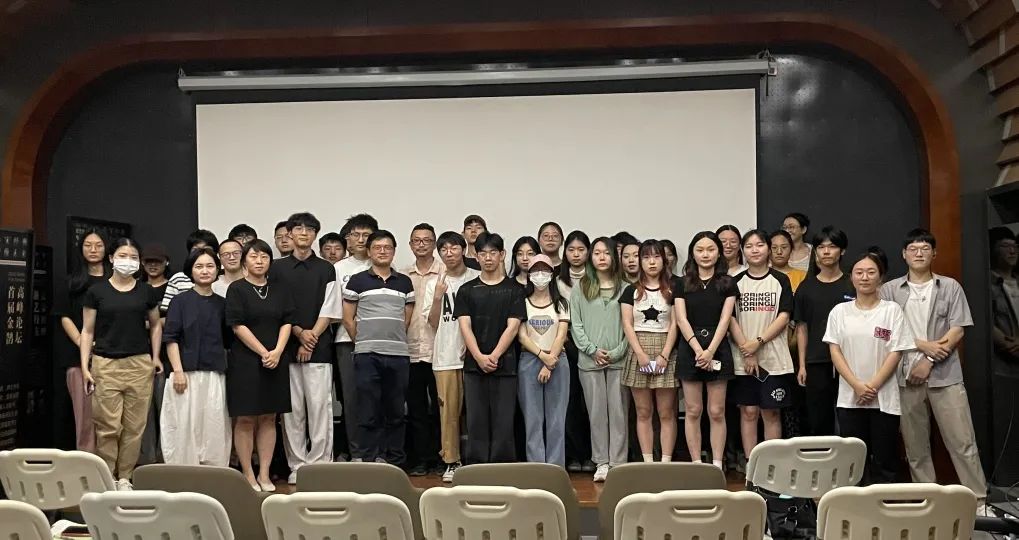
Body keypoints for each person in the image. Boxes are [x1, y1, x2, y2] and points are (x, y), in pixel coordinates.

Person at [881, 229, 988, 510]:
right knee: (915, 448)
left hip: (945, 375)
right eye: (913, 249)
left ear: (934, 253)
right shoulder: (890, 290)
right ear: (904, 254)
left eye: (925, 248)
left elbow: (958, 328)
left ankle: (979, 501)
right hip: (905, 377)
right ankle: (927, 502)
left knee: (963, 442)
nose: (919, 253)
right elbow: (885, 331)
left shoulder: (950, 287)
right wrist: (923, 345)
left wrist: (929, 359)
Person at [79, 237, 162, 490]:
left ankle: (125, 476)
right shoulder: (97, 292)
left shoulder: (146, 291)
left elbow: (156, 325)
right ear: (111, 258)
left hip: (139, 364)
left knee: (135, 427)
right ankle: (108, 478)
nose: (128, 261)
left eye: (133, 257)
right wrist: (85, 366)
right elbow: (87, 331)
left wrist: (155, 356)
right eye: (123, 256)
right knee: (108, 427)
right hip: (105, 364)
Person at [825, 252, 912, 484]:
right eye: (859, 272)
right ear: (851, 277)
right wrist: (857, 385)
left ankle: (886, 503)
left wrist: (871, 386)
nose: (865, 277)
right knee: (853, 462)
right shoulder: (839, 312)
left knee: (886, 459)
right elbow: (835, 351)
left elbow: (896, 351)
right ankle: (856, 505)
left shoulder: (892, 310)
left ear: (880, 277)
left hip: (884, 399)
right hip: (850, 398)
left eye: (871, 272)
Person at [270, 212, 336, 483]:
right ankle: (297, 466)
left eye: (310, 229)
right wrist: (299, 333)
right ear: (290, 234)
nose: (304, 233)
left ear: (315, 234)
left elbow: (330, 308)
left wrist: (311, 338)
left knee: (320, 408)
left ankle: (321, 465)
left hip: (319, 348)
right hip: (285, 347)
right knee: (292, 411)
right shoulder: (276, 268)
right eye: (298, 229)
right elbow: (276, 307)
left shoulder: (326, 268)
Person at [225, 239, 294, 491]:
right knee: (245, 418)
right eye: (253, 256)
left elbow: (287, 321)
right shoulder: (237, 289)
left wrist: (277, 351)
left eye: (264, 257)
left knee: (269, 417)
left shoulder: (280, 289)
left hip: (276, 359)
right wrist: (264, 352)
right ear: (244, 261)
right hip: (246, 362)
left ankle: (264, 474)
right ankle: (248, 473)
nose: (259, 261)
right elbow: (237, 325)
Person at [343, 230, 415, 464]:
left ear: (394, 251)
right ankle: (368, 458)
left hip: (398, 355)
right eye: (377, 247)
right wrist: (364, 341)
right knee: (368, 409)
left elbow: (406, 319)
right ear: (369, 251)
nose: (382, 251)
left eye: (387, 247)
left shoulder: (404, 282)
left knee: (396, 410)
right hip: (367, 355)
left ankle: (395, 459)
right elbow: (348, 318)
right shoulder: (357, 281)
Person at [455, 232, 527, 463]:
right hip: (473, 366)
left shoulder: (514, 289)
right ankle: (476, 468)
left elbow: (513, 327)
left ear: (502, 254)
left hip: (505, 365)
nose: (488, 258)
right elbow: (465, 326)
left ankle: (502, 469)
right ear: (476, 256)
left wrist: (494, 356)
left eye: (493, 253)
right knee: (476, 421)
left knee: (504, 422)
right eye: (483, 253)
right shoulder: (467, 290)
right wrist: (479, 357)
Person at [160, 246, 231, 466]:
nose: (205, 271)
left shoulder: (222, 304)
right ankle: (183, 473)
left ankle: (214, 474)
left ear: (217, 269)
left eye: (210, 266)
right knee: (183, 426)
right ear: (190, 270)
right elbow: (171, 338)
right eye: (199, 266)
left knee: (213, 426)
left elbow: (228, 340)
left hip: (214, 374)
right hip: (185, 374)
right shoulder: (179, 301)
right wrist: (178, 371)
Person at [728, 229, 795, 457]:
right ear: (742, 251)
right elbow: (730, 319)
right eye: (749, 246)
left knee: (771, 412)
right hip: (743, 359)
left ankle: (771, 465)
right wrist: (748, 352)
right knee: (748, 412)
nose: (754, 250)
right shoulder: (735, 282)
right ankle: (751, 463)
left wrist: (758, 342)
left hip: (773, 360)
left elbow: (784, 316)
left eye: (759, 245)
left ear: (768, 248)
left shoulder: (781, 280)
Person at [674, 232, 738, 469]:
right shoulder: (681, 283)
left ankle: (717, 464)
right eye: (700, 250)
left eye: (710, 249)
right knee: (693, 410)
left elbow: (725, 319)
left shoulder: (728, 283)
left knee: (717, 410)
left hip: (718, 348)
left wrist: (710, 351)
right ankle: (697, 465)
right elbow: (681, 319)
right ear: (692, 253)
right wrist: (698, 349)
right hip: (689, 348)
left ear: (719, 253)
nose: (705, 254)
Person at [319, 213, 378, 461]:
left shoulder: (382, 264)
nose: (361, 239)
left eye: (367, 235)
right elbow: (333, 309)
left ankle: (375, 451)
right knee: (351, 399)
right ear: (348, 239)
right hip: (346, 341)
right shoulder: (337, 268)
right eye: (356, 235)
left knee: (375, 398)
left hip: (378, 342)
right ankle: (356, 452)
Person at [423, 231, 480, 481]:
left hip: (475, 355)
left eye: (454, 247)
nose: (449, 253)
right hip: (445, 356)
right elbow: (434, 322)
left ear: (463, 250)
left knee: (477, 411)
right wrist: (438, 296)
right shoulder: (434, 283)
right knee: (449, 414)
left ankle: (479, 459)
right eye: (444, 249)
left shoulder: (476, 278)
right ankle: (451, 460)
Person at [571, 237, 629, 481]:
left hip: (620, 361)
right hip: (590, 362)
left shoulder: (626, 288)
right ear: (591, 257)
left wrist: (617, 352)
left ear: (614, 257)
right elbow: (576, 325)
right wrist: (591, 349)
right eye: (597, 253)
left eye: (606, 253)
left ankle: (618, 462)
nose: (602, 257)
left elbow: (630, 327)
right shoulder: (581, 288)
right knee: (596, 414)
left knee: (619, 412)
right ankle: (602, 462)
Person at [620, 239, 679, 463]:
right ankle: (647, 462)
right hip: (639, 350)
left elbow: (675, 323)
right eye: (646, 257)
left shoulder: (673, 290)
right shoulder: (630, 291)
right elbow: (627, 324)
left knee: (666, 412)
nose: (651, 262)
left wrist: (665, 354)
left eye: (656, 257)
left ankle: (665, 462)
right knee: (643, 411)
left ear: (664, 260)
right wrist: (640, 354)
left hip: (666, 349)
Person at [794, 226, 854, 436]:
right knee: (819, 420)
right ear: (815, 251)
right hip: (816, 361)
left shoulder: (852, 284)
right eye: (821, 247)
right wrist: (802, 365)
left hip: (851, 361)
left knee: (850, 419)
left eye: (832, 246)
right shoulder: (806, 287)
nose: (826, 251)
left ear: (842, 251)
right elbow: (801, 328)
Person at [58, 228, 110, 452]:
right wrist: (82, 343)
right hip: (78, 359)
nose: (93, 250)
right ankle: (87, 465)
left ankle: (112, 467)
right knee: (85, 420)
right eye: (88, 245)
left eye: (98, 245)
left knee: (112, 420)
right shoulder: (73, 282)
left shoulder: (116, 280)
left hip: (113, 356)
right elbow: (64, 316)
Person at [517, 254, 571, 466]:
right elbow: (522, 336)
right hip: (530, 360)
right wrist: (543, 357)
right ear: (529, 275)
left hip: (558, 360)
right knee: (532, 418)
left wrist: (550, 361)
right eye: (535, 271)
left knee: (557, 418)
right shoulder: (522, 302)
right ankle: (536, 467)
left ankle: (556, 467)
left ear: (552, 274)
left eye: (545, 271)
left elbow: (561, 334)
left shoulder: (561, 303)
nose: (540, 275)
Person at [402, 223, 442, 475]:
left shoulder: (445, 273)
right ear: (410, 245)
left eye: (426, 240)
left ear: (434, 244)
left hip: (439, 351)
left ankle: (440, 457)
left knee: (440, 409)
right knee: (415, 409)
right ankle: (420, 459)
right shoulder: (402, 276)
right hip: (410, 351)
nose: (421, 244)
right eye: (416, 240)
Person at [557, 231, 595, 473]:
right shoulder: (557, 281)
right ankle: (573, 454)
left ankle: (593, 454)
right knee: (569, 401)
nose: (576, 254)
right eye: (571, 250)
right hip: (567, 343)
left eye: (581, 249)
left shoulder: (597, 279)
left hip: (593, 345)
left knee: (591, 402)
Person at [138, 243, 171, 465]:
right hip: (139, 354)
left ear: (166, 263)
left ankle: (165, 458)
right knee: (143, 412)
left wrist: (148, 323)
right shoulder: (137, 288)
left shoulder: (174, 287)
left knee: (165, 410)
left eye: (157, 262)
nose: (152, 266)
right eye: (148, 262)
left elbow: (174, 319)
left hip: (167, 356)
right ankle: (146, 460)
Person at [161, 229, 220, 313]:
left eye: (207, 249)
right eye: (196, 250)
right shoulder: (178, 279)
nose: (202, 253)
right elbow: (166, 314)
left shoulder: (222, 280)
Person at [990, 227, 1019, 374]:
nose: (1012, 251)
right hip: (1002, 362)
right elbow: (984, 321)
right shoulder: (988, 284)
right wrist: (1008, 343)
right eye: (1005, 246)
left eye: (1015, 246)